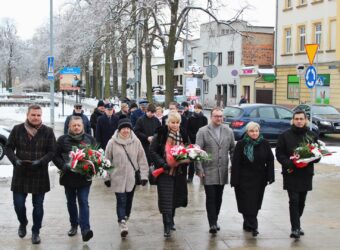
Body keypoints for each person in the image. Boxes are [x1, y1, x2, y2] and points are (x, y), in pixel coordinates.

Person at [5, 104, 56, 244]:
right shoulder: (17, 129)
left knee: (38, 206)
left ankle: (35, 232)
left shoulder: (48, 131)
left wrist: (41, 162)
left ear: (41, 116)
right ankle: (23, 222)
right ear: (27, 115)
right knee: (18, 204)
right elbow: (8, 148)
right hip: (20, 173)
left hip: (39, 174)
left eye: (38, 115)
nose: (36, 117)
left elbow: (52, 152)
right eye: (33, 115)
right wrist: (15, 161)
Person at [276, 110, 320, 239]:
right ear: (293, 120)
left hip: (306, 173)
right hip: (291, 173)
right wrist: (290, 163)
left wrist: (313, 158)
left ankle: (297, 223)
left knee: (302, 201)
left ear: (306, 120)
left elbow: (317, 154)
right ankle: (295, 228)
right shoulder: (285, 135)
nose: (299, 121)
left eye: (301, 119)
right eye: (296, 119)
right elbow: (279, 154)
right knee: (294, 200)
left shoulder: (311, 135)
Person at [53, 116, 96, 242]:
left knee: (83, 201)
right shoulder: (62, 140)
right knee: (71, 202)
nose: (76, 127)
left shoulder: (90, 139)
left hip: (84, 178)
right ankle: (73, 224)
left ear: (82, 126)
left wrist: (92, 167)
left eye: (79, 125)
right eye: (74, 125)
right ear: (69, 127)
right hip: (68, 177)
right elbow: (55, 156)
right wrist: (63, 165)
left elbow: (96, 155)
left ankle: (85, 230)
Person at [105, 117, 149, 238]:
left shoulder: (136, 142)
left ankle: (125, 216)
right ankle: (122, 222)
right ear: (119, 129)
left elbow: (142, 160)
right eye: (123, 128)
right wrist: (107, 177)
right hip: (117, 178)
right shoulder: (112, 142)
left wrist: (144, 176)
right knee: (121, 200)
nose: (125, 130)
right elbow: (106, 161)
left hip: (131, 178)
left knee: (128, 200)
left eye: (128, 128)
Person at [195, 107, 235, 234]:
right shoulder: (203, 131)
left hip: (222, 170)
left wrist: (234, 166)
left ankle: (215, 219)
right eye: (216, 116)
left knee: (219, 197)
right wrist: (199, 168)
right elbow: (197, 151)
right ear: (211, 117)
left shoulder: (228, 131)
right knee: (211, 197)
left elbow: (233, 150)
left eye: (221, 116)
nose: (219, 118)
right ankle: (212, 223)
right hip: (208, 170)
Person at [149, 111, 190, 238]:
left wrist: (186, 159)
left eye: (177, 123)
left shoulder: (183, 134)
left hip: (179, 172)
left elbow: (188, 148)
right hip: (165, 172)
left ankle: (171, 220)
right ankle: (166, 225)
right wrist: (162, 163)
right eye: (173, 122)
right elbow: (152, 150)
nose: (175, 125)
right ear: (168, 122)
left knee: (175, 199)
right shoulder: (161, 134)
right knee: (166, 199)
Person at [231, 122, 275, 237]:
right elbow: (236, 163)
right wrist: (234, 180)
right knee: (246, 203)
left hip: (259, 179)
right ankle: (254, 225)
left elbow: (270, 159)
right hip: (244, 179)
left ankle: (247, 222)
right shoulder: (241, 144)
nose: (254, 133)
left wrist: (270, 176)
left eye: (256, 131)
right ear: (247, 132)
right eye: (252, 131)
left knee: (255, 203)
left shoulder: (264, 143)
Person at [186, 103, 208, 183]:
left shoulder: (204, 118)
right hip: (192, 141)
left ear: (201, 109)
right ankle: (190, 176)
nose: (197, 109)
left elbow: (206, 129)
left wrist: (201, 138)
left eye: (198, 108)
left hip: (202, 141)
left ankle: (202, 177)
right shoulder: (190, 119)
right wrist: (193, 138)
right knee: (192, 159)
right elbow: (187, 130)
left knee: (201, 160)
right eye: (195, 108)